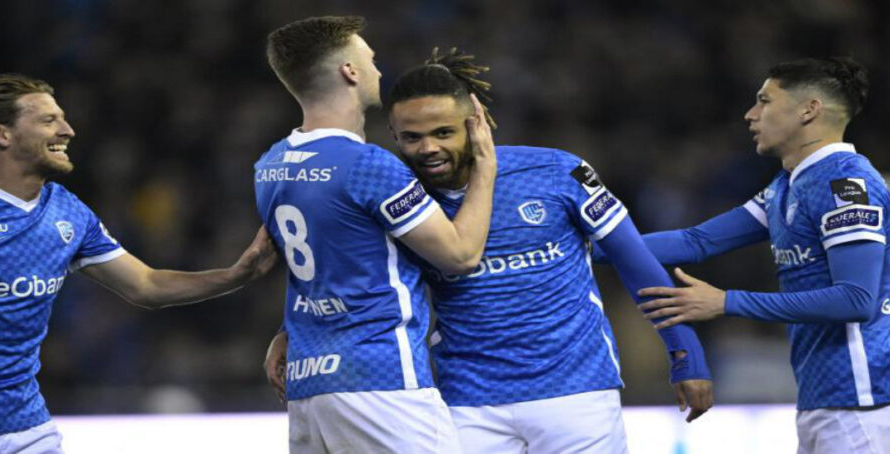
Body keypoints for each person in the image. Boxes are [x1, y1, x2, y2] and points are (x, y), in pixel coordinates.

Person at [264, 48, 713, 454]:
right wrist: (291, 329)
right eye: (412, 137)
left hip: (576, 392)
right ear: (394, 136)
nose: (429, 148)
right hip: (467, 401)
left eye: (443, 132)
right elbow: (344, 273)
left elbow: (635, 262)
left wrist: (685, 354)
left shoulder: (557, 171)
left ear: (474, 122)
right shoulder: (395, 195)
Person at [0, 73, 277, 453]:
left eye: (63, 119)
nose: (68, 130)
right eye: (48, 120)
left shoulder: (67, 212)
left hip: (27, 426)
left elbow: (146, 285)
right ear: (1, 134)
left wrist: (236, 275)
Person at [635, 57, 890, 453]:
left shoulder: (845, 184)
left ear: (809, 110)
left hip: (867, 399)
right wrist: (587, 244)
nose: (750, 114)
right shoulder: (788, 184)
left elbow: (856, 299)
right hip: (832, 401)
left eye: (764, 101)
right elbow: (696, 241)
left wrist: (726, 302)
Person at [255, 17, 497, 454]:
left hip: (309, 385)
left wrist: (286, 329)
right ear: (350, 71)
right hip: (381, 381)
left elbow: (327, 259)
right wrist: (485, 166)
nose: (378, 71)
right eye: (371, 60)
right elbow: (460, 255)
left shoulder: (270, 166)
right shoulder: (368, 166)